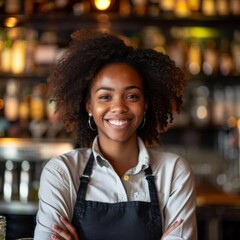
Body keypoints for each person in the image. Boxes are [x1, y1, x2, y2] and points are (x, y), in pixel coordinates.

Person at [34, 29, 197, 240]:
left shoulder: (174, 172)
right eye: (105, 96)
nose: (118, 107)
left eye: (131, 95)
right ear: (89, 106)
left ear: (145, 104)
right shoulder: (62, 172)